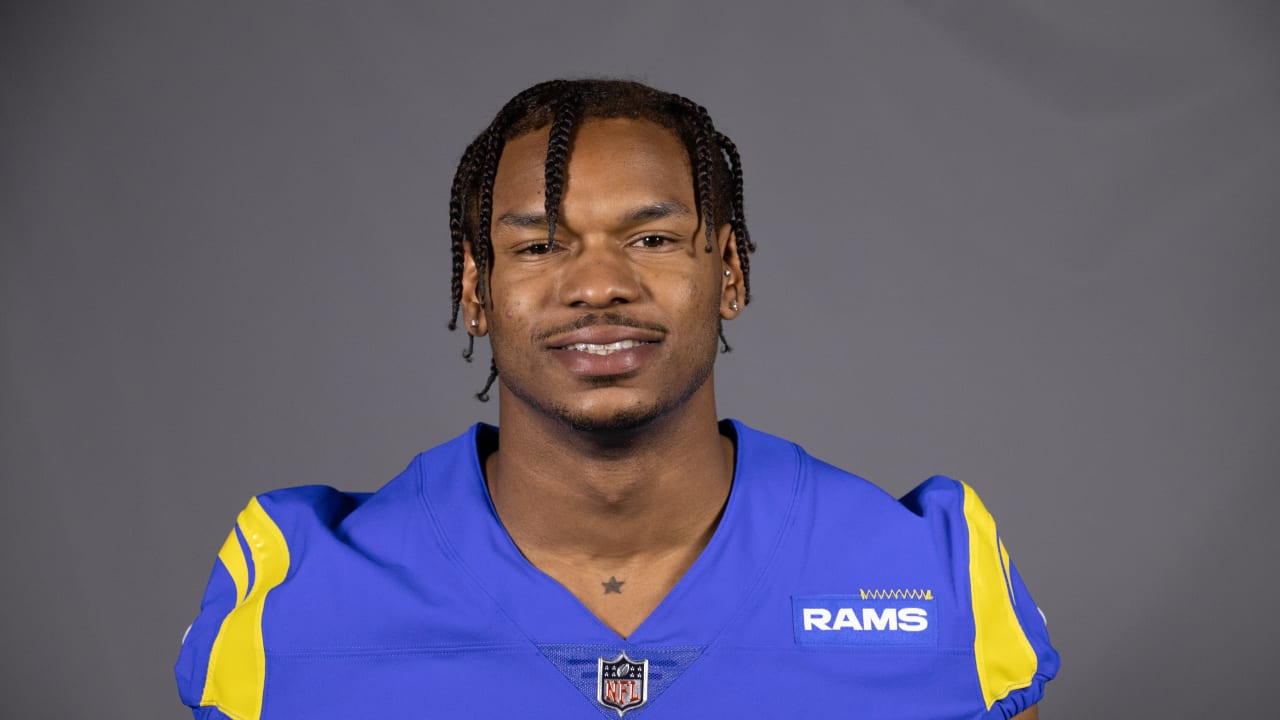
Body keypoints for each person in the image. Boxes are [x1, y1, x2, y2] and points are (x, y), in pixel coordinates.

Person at [175, 79, 1058, 719]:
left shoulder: (935, 577)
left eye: (653, 237)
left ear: (730, 274)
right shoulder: (295, 591)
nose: (598, 284)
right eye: (539, 247)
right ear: (475, 292)